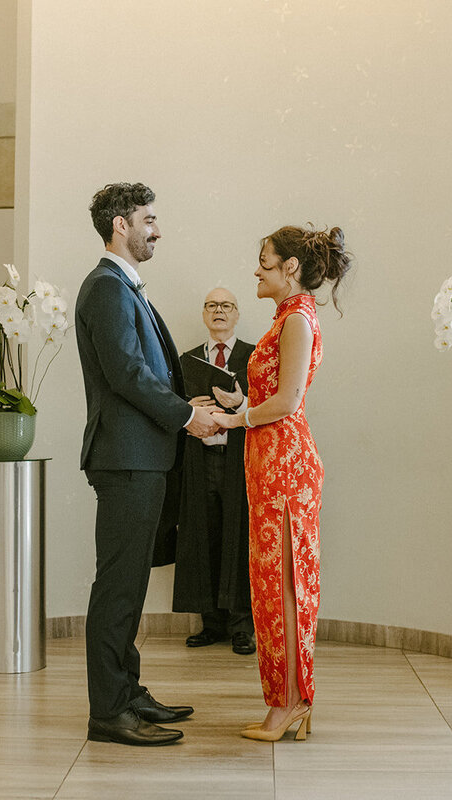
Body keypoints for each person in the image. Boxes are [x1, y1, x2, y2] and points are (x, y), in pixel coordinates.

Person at [74, 182, 221, 747]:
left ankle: (127, 692)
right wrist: (187, 417)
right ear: (120, 225)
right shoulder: (106, 288)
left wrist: (189, 406)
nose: (156, 229)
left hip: (142, 458)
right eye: (148, 218)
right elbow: (128, 376)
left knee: (129, 583)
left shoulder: (121, 286)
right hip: (126, 460)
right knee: (117, 587)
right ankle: (108, 711)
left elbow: (143, 376)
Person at [211, 224, 352, 742]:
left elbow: (289, 403)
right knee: (271, 587)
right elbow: (275, 399)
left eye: (265, 262)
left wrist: (234, 420)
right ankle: (285, 699)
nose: (257, 270)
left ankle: (291, 702)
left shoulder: (297, 319)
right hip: (271, 463)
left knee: (287, 586)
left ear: (290, 268)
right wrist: (241, 407)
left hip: (286, 466)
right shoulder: (287, 319)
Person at [173, 288, 256, 656]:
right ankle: (211, 624)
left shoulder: (253, 357)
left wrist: (241, 402)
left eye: (226, 306)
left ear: (237, 314)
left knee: (240, 535)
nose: (219, 311)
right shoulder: (186, 360)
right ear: (204, 314)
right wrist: (186, 407)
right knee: (202, 534)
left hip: (240, 460)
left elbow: (273, 406)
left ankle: (242, 626)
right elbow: (171, 406)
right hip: (199, 459)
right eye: (211, 305)